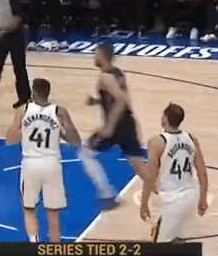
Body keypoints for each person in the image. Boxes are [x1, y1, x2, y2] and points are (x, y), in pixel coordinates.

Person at [6, 78, 81, 242]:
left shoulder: (23, 109)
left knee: (28, 209)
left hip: (30, 164)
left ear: (33, 92)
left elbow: (9, 140)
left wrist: (25, 131)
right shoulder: (59, 111)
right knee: (53, 213)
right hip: (51, 164)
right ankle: (54, 249)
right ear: (48, 93)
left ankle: (34, 244)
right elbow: (75, 141)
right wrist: (61, 131)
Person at [80, 43, 149, 209]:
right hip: (127, 123)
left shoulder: (104, 77)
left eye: (95, 54)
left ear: (102, 55)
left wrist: (110, 125)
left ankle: (107, 194)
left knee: (85, 152)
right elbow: (118, 97)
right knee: (138, 165)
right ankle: (168, 192)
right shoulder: (117, 73)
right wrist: (97, 101)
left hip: (116, 125)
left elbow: (122, 99)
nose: (94, 57)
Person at [140, 103, 208, 243]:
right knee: (178, 241)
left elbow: (150, 176)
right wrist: (203, 199)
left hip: (171, 200)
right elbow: (202, 173)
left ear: (165, 119)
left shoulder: (157, 142)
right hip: (190, 198)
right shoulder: (191, 139)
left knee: (159, 244)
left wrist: (144, 203)